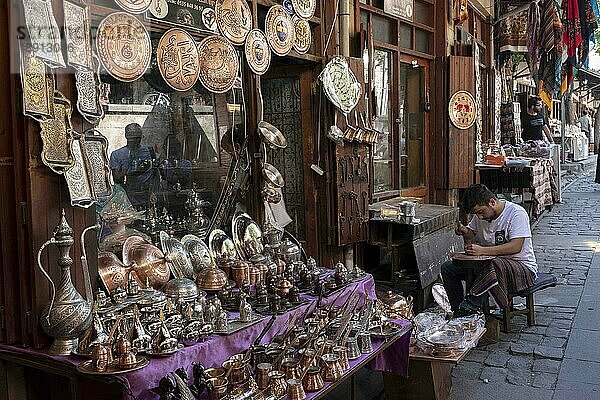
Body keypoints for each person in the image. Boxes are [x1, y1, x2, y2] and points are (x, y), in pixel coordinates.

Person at [441, 184, 538, 316]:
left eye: (481, 212)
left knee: (493, 263)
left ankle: (469, 306)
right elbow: (472, 233)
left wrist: (482, 251)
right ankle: (458, 310)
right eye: (476, 214)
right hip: (489, 269)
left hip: (521, 269)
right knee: (448, 268)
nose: (479, 217)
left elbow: (516, 246)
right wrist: (464, 230)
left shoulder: (516, 213)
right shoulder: (480, 215)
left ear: (492, 202)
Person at [109, 123, 158, 208]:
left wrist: (154, 190)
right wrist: (129, 168)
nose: (135, 141)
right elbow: (117, 179)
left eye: (137, 138)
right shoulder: (117, 154)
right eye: (132, 138)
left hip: (147, 194)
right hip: (129, 195)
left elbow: (156, 172)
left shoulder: (149, 151)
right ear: (126, 136)